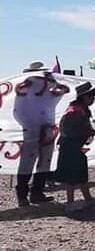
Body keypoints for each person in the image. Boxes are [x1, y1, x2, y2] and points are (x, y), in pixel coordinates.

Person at [13, 62, 71, 206]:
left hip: (47, 129)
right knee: (28, 162)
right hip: (31, 130)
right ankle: (22, 195)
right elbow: (18, 112)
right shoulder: (23, 92)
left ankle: (37, 192)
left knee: (45, 161)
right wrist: (28, 126)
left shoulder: (49, 92)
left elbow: (64, 91)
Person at [53, 82, 95, 213]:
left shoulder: (79, 109)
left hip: (74, 147)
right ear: (85, 97)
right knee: (71, 176)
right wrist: (87, 132)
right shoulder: (74, 112)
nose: (93, 100)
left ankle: (88, 198)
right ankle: (70, 203)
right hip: (71, 147)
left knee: (81, 173)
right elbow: (69, 131)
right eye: (92, 97)